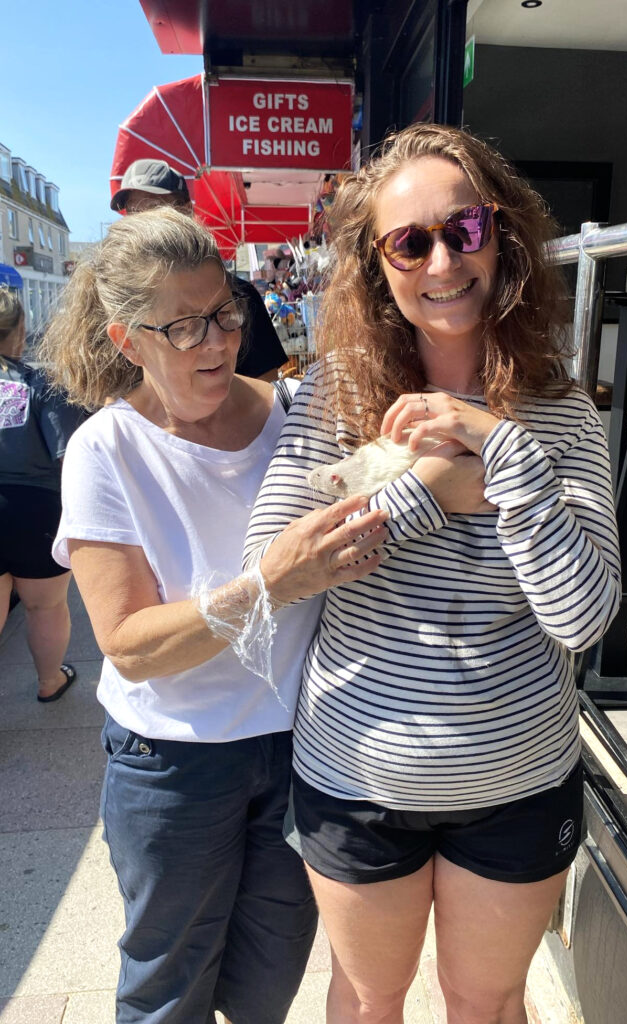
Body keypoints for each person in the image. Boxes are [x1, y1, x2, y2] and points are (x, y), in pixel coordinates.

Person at [242, 123, 622, 1024]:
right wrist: (434, 489)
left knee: (484, 1002)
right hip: (356, 777)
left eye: (466, 229)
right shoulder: (333, 393)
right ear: (380, 267)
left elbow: (582, 618)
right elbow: (274, 569)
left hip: (518, 780)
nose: (443, 259)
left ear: (505, 236)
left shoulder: (561, 415)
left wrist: (502, 457)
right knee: (371, 1000)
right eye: (410, 241)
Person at [39, 208, 388, 1024]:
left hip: (304, 751)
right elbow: (128, 647)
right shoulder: (106, 450)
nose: (217, 342)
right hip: (173, 762)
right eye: (185, 326)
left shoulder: (300, 416)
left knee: (267, 985)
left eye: (225, 312)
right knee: (168, 990)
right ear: (129, 341)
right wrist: (267, 584)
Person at [110, 158, 288, 381]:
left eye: (156, 210)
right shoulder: (121, 308)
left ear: (186, 210)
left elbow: (268, 389)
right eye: (136, 213)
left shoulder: (237, 295)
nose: (146, 223)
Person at [0, 287, 84, 701]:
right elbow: (69, 452)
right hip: (35, 509)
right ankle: (50, 681)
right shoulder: (40, 382)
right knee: (45, 607)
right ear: (20, 330)